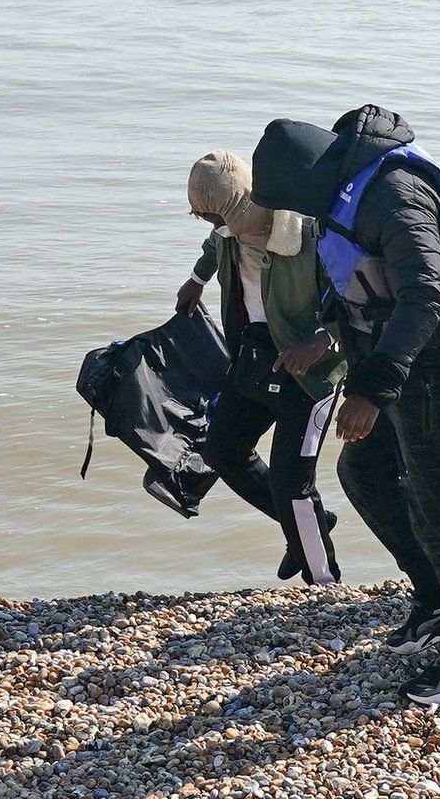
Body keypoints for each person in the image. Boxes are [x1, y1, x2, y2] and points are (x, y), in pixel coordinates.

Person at [250, 105, 440, 706]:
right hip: (393, 355)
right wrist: (327, 337)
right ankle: (434, 598)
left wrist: (369, 390)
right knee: (361, 471)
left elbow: (423, 296)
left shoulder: (394, 193)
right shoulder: (344, 189)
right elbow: (357, 284)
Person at [175, 151, 345, 585]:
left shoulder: (307, 231)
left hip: (312, 370)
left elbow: (355, 297)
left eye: (217, 217)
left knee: (292, 480)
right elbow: (214, 246)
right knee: (221, 449)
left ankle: (323, 583)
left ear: (240, 203)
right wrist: (196, 280)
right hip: (256, 356)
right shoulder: (229, 231)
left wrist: (320, 342)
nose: (215, 228)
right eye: (204, 218)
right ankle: (308, 524)